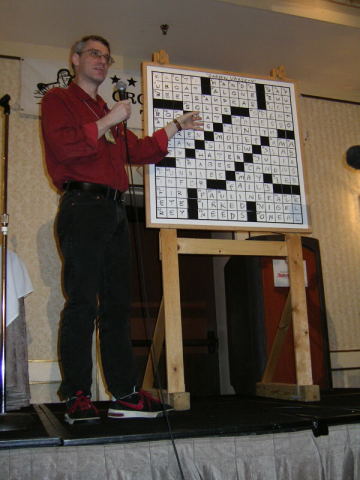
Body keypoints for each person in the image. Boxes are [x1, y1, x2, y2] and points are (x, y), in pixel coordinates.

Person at [41, 35, 202, 424]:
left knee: (116, 306)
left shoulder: (105, 111)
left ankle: (124, 394)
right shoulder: (58, 101)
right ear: (75, 58)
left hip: (114, 211)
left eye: (107, 57)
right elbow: (65, 149)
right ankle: (77, 396)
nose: (102, 61)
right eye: (94, 54)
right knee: (82, 302)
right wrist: (108, 120)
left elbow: (139, 151)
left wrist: (175, 126)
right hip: (82, 206)